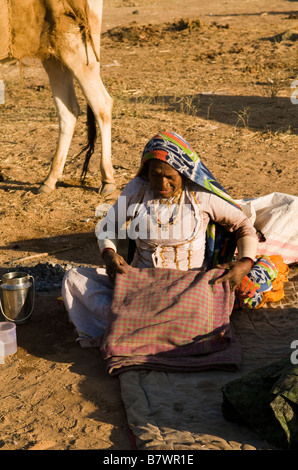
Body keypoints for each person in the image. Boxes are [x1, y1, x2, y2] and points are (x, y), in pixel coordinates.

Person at [62, 131, 258, 345]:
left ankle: (132, 327)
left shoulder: (200, 196)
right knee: (74, 278)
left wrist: (245, 263)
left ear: (182, 173)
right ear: (147, 172)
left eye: (169, 176)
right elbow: (108, 227)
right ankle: (156, 328)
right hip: (140, 287)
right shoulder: (138, 189)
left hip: (187, 290)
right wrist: (109, 253)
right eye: (155, 175)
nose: (162, 183)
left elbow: (243, 226)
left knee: (203, 306)